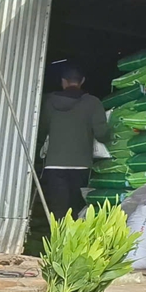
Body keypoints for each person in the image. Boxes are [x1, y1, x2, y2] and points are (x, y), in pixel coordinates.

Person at [38, 63, 110, 219]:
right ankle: (73, 234)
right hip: (81, 165)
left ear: (63, 81)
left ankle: (57, 233)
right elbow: (101, 134)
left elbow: (41, 132)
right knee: (77, 208)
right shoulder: (93, 103)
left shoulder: (48, 102)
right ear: (82, 81)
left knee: (58, 209)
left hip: (53, 165)